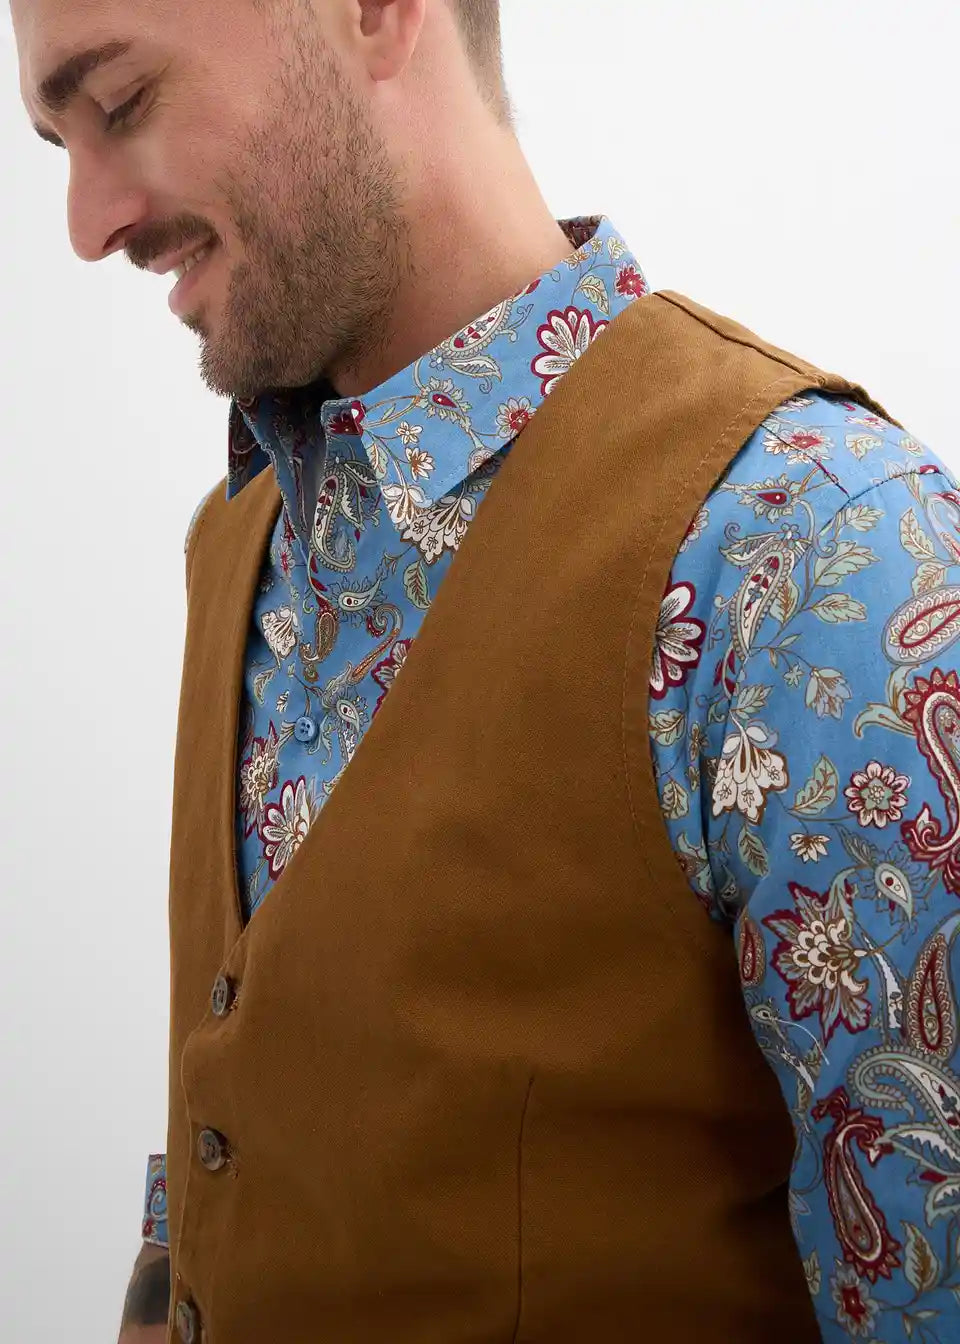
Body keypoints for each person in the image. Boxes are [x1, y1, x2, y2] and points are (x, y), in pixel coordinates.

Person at [13, 1, 960, 1341]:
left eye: (121, 105)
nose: (86, 223)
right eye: (59, 144)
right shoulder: (238, 545)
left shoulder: (818, 553)